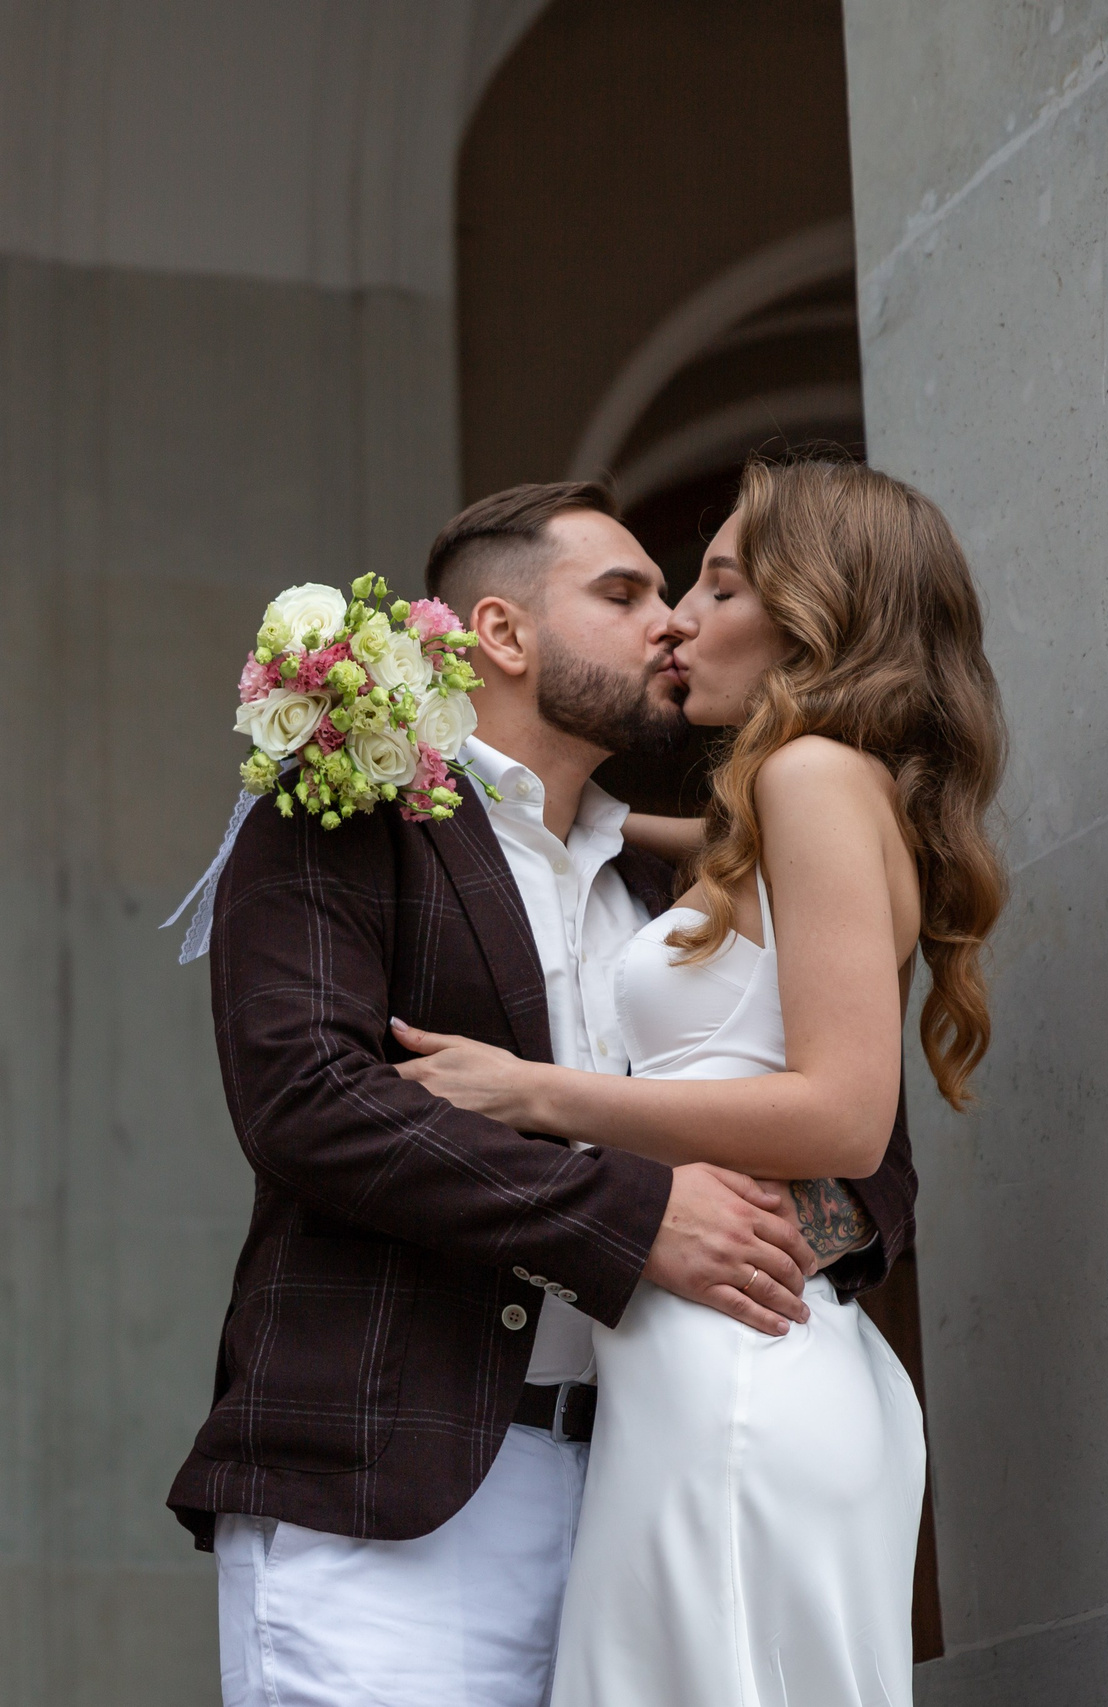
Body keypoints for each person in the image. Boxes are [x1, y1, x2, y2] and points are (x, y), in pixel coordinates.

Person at [170, 477, 919, 1707]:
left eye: (681, 594)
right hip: (392, 1495)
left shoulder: (665, 891)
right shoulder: (353, 808)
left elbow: (850, 1134)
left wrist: (796, 1236)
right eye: (624, 595)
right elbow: (309, 1099)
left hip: (648, 1472)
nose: (668, 622)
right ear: (502, 636)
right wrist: (631, 1217)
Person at [392, 457, 1005, 1705]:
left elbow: (842, 1113)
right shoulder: (776, 805)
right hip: (700, 1364)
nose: (681, 618)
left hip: (737, 1371)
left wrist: (539, 1093)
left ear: (806, 615)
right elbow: (592, 829)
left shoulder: (810, 777)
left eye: (718, 585)